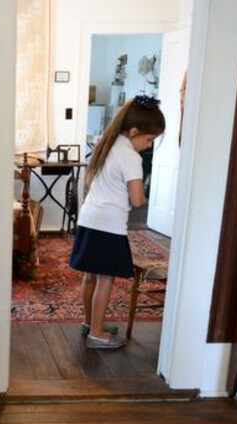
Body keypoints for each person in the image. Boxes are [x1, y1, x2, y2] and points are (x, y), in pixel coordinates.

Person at [69, 95, 166, 350]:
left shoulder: (107, 144)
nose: (148, 146)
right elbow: (136, 200)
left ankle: (90, 323)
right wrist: (145, 194)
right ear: (134, 131)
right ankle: (98, 334)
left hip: (90, 218)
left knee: (90, 276)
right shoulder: (130, 157)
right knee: (106, 279)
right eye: (149, 140)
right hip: (109, 225)